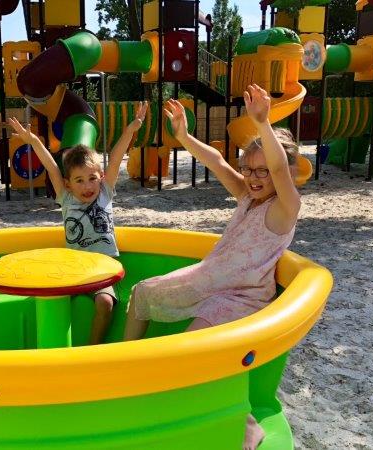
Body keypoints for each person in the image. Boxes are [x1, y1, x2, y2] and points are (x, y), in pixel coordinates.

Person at [122, 85, 301, 450]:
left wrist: (263, 124)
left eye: (263, 172)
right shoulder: (248, 197)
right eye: (249, 169)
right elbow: (217, 163)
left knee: (195, 348)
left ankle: (245, 421)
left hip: (242, 297)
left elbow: (280, 168)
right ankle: (125, 370)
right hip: (209, 279)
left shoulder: (285, 209)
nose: (254, 177)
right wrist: (185, 137)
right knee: (142, 293)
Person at [7, 102, 148, 345]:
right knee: (49, 298)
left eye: (92, 178)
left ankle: (93, 347)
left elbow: (115, 158)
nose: (87, 186)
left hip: (104, 268)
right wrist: (33, 141)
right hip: (74, 268)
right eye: (80, 180)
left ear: (101, 177)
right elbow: (51, 166)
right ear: (68, 183)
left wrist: (131, 129)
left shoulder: (105, 192)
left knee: (104, 302)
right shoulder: (67, 197)